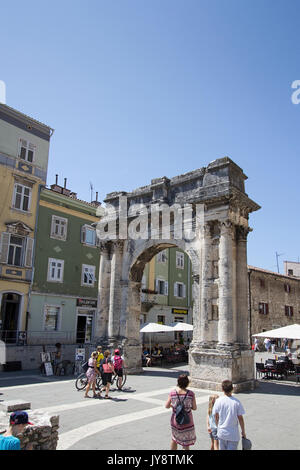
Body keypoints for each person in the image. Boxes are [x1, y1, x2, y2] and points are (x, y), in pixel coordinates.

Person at [165, 374, 197, 450]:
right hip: (187, 420)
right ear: (187, 383)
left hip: (176, 419)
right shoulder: (191, 394)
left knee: (174, 439)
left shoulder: (172, 393)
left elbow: (166, 405)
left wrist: (173, 406)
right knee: (186, 443)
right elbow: (194, 408)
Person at [212, 380, 246, 451]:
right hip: (233, 434)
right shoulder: (236, 402)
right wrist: (243, 431)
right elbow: (240, 418)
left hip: (222, 432)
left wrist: (218, 426)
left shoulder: (218, 401)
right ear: (232, 389)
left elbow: (216, 416)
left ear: (222, 389)